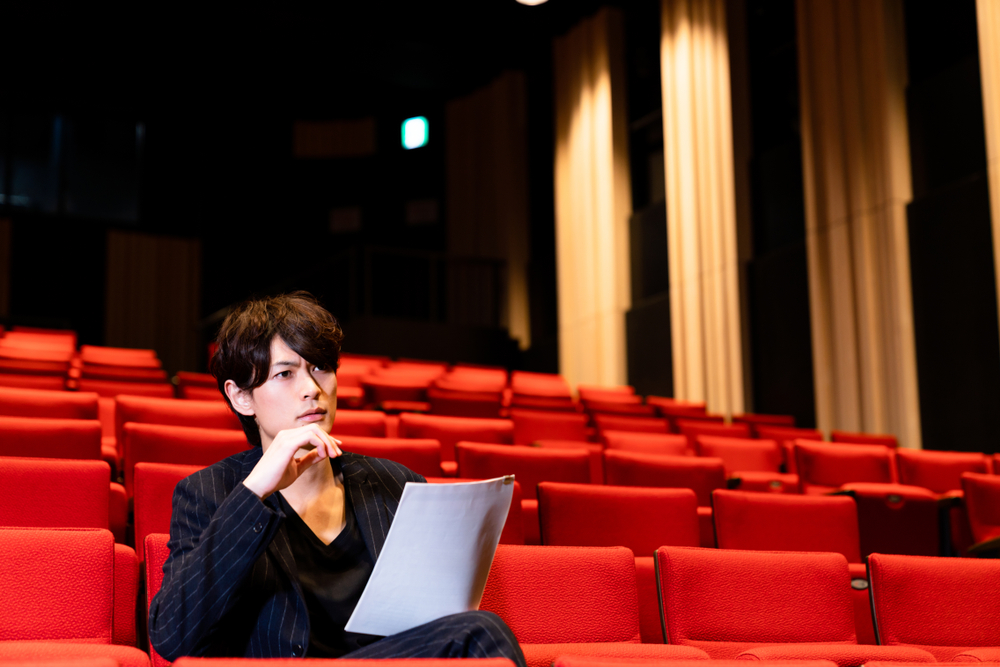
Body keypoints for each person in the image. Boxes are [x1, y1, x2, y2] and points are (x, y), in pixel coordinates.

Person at [148, 291, 525, 665]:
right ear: (242, 397)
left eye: (321, 368)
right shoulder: (210, 493)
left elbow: (434, 622)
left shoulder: (395, 483)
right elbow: (172, 636)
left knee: (478, 630)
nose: (312, 388)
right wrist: (254, 494)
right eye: (285, 373)